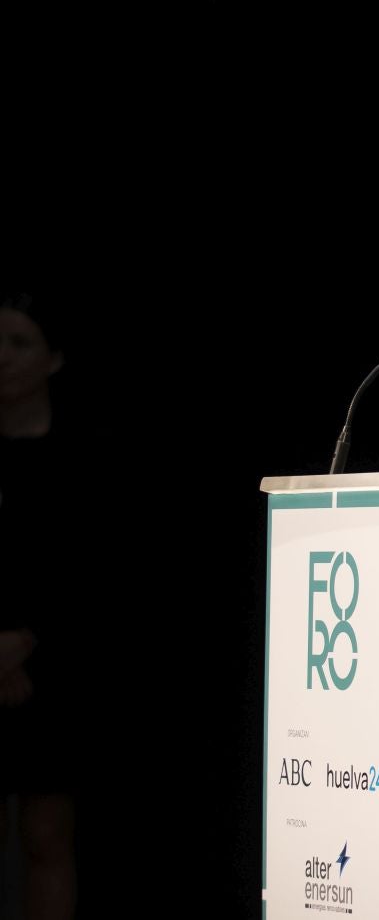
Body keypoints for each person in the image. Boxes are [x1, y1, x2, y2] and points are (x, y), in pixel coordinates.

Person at [0, 291, 80, 920]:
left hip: (47, 669)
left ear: (52, 357)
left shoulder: (75, 460)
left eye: (18, 343)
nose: (1, 357)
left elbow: (77, 572)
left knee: (45, 831)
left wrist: (20, 645)